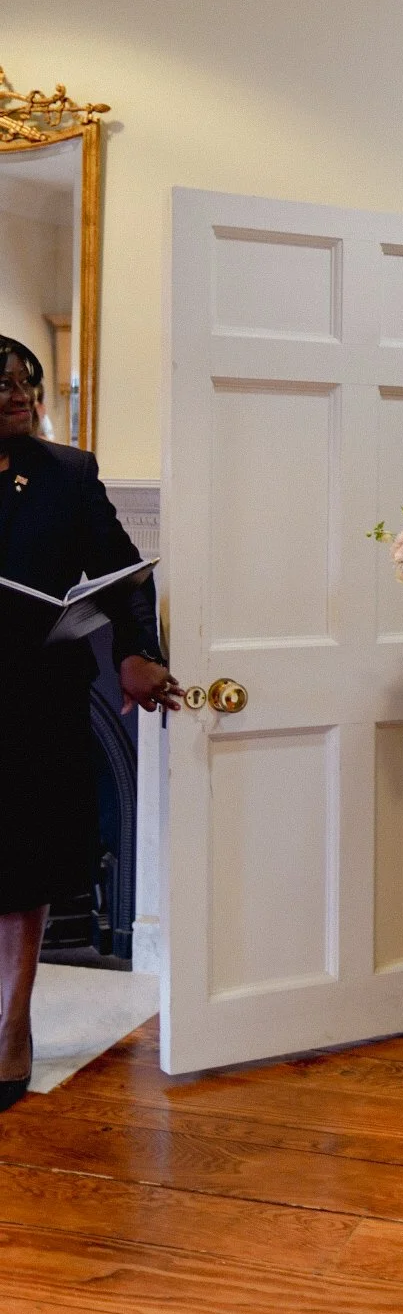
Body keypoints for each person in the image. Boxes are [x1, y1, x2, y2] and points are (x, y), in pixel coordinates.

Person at [0, 335, 181, 1112]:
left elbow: (120, 570)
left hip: (33, 696)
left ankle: (12, 1026)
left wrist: (140, 652)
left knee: (23, 866)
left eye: (24, 382)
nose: (15, 392)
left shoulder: (66, 474)